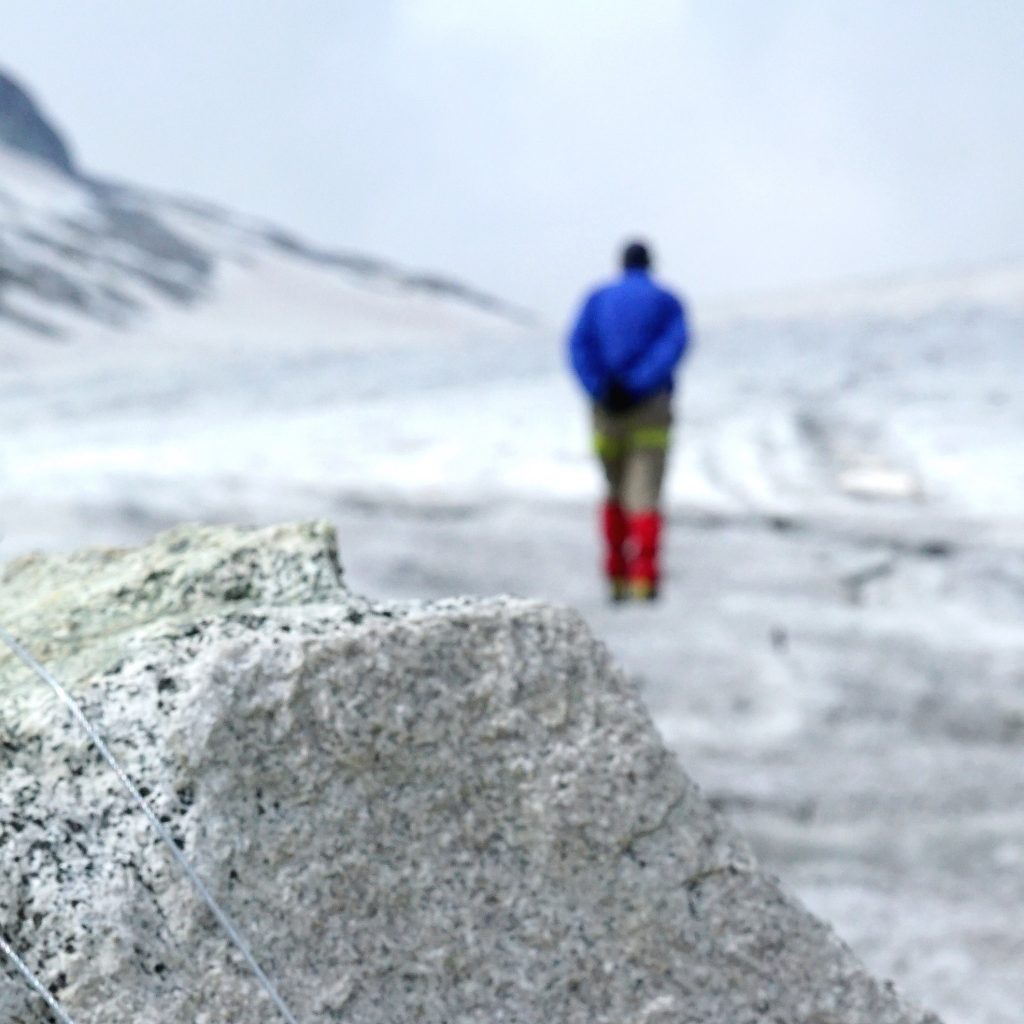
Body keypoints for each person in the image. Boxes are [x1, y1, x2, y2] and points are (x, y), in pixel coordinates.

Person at [567, 240, 690, 601]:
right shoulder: (667, 301)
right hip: (650, 408)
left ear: (621, 263)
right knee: (645, 493)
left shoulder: (597, 299)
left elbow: (578, 345)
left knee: (614, 490)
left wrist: (601, 385)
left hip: (605, 409)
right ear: (650, 263)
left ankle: (616, 576)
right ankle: (643, 578)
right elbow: (674, 344)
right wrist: (639, 383)